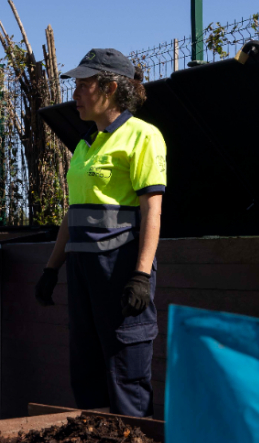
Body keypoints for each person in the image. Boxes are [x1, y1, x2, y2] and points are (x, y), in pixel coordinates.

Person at [35, 48, 166, 418]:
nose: (74, 93)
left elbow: (152, 210)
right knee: (86, 368)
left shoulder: (143, 136)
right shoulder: (84, 143)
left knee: (126, 367)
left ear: (109, 87)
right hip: (82, 271)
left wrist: (141, 275)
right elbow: (74, 213)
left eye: (83, 84)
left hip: (120, 268)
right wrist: (51, 268)